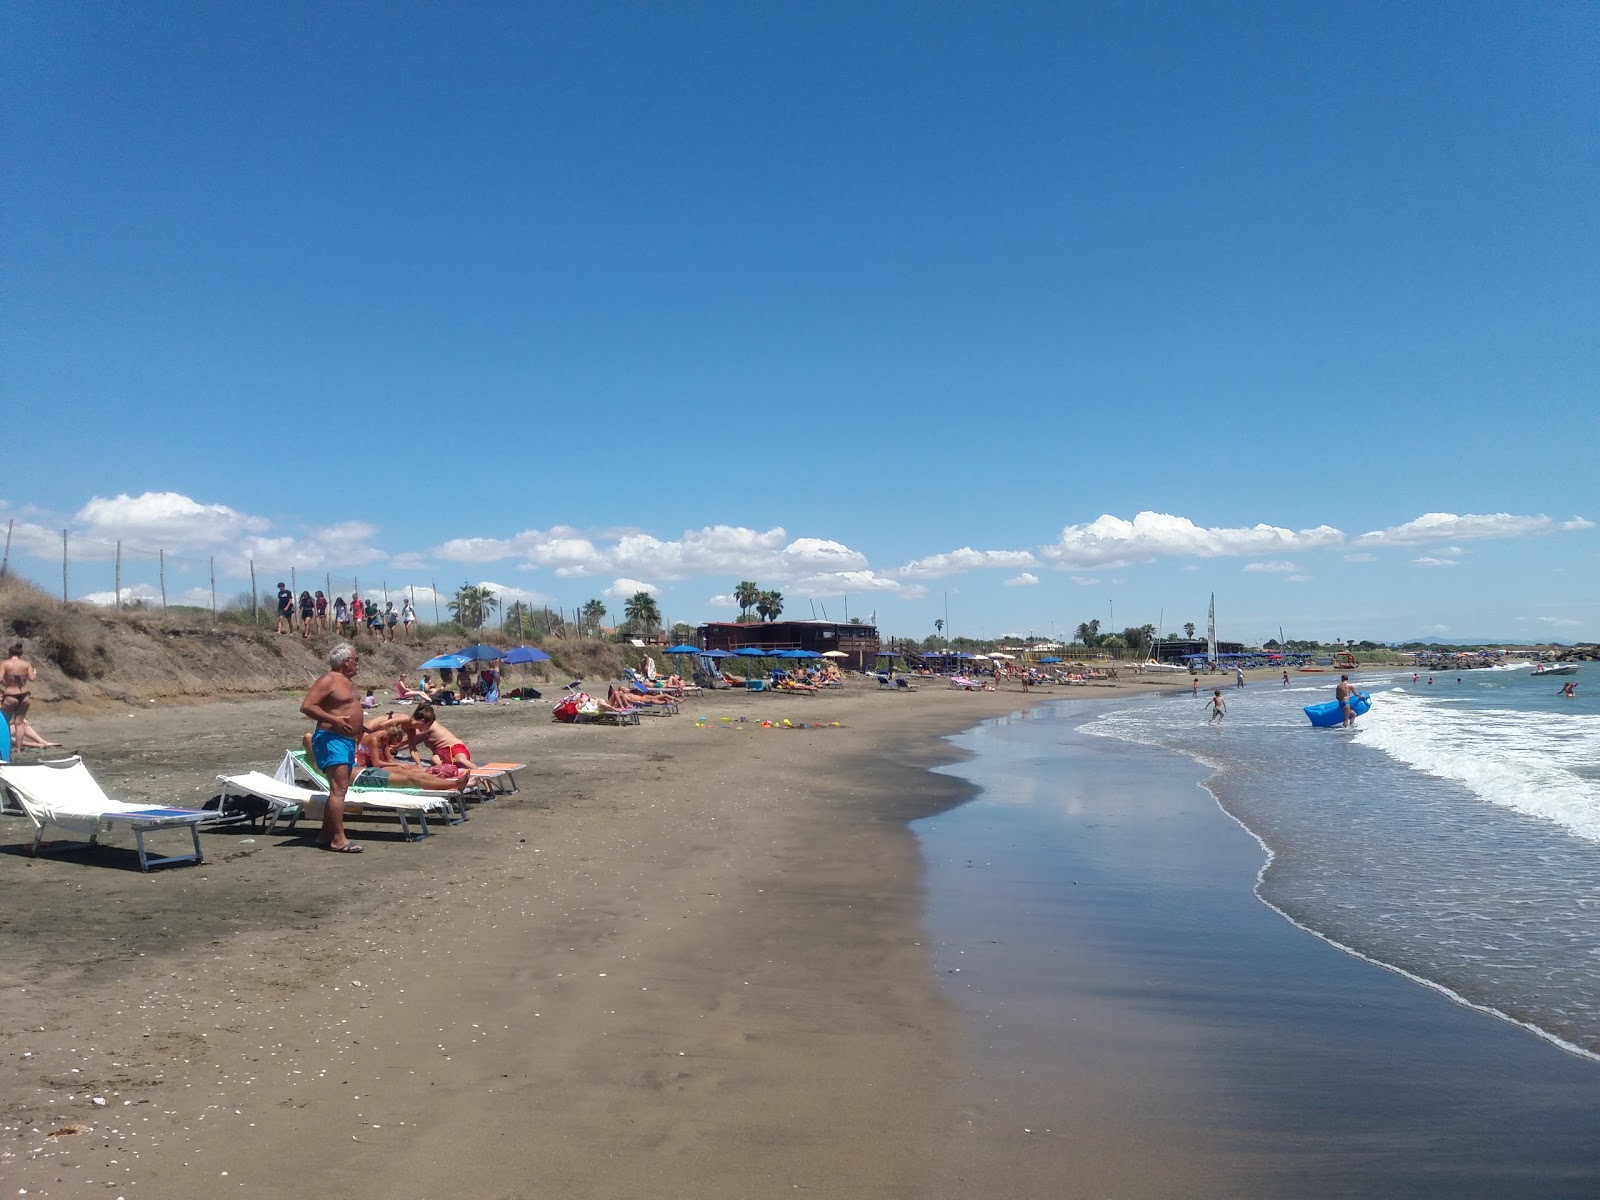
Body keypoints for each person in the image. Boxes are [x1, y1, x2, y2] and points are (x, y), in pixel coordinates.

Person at [298, 642, 364, 853]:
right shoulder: (329, 679)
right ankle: (338, 839)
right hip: (331, 738)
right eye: (356, 659)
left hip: (346, 740)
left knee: (339, 788)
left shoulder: (347, 682)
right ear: (345, 662)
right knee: (339, 788)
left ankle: (325, 835)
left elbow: (345, 707)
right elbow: (307, 706)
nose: (358, 663)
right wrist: (334, 720)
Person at [2, 642, 61, 756]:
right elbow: (32, 679)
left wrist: (6, 683)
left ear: (9, 653)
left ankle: (8, 747)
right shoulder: (26, 664)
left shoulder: (5, 664)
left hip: (10, 695)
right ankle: (18, 749)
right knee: (19, 723)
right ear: (21, 654)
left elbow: (0, 678)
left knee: (5, 722)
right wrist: (34, 672)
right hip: (24, 695)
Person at [400, 702, 476, 769]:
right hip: (440, 753)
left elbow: (404, 741)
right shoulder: (422, 727)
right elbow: (411, 743)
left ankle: (482, 775)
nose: (429, 726)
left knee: (461, 760)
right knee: (435, 760)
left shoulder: (428, 726)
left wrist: (391, 748)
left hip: (453, 747)